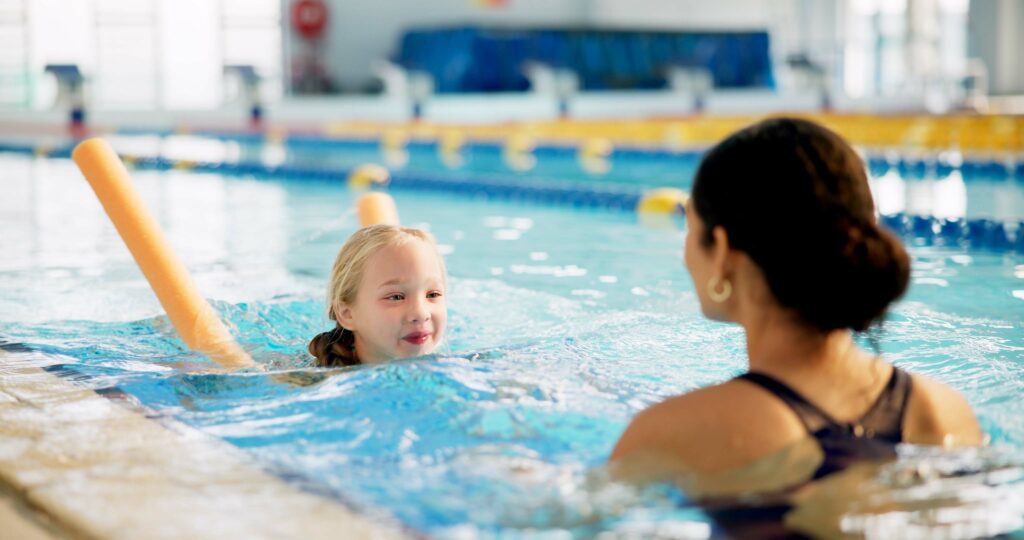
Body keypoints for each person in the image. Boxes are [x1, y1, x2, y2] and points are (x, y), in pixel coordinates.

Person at [610, 118, 982, 487]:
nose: (684, 255)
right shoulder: (943, 412)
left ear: (722, 251)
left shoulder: (677, 433)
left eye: (690, 230)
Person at [308, 224, 447, 367]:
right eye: (396, 297)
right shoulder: (314, 385)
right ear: (347, 314)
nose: (421, 313)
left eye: (433, 294)